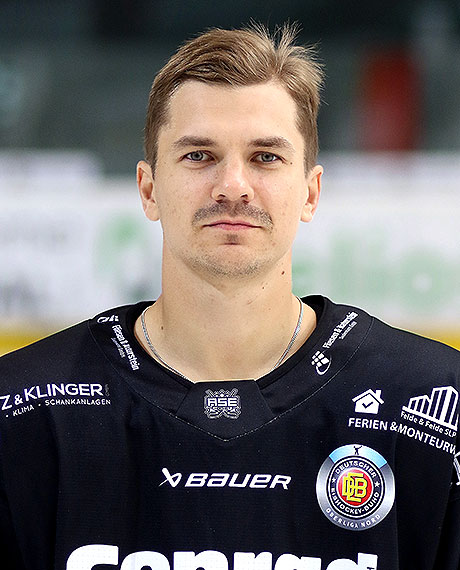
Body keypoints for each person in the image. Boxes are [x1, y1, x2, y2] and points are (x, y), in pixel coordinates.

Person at [0, 23, 459, 570]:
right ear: (148, 188)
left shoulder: (435, 408)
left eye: (266, 157)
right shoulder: (24, 410)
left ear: (310, 192)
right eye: (199, 156)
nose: (233, 186)